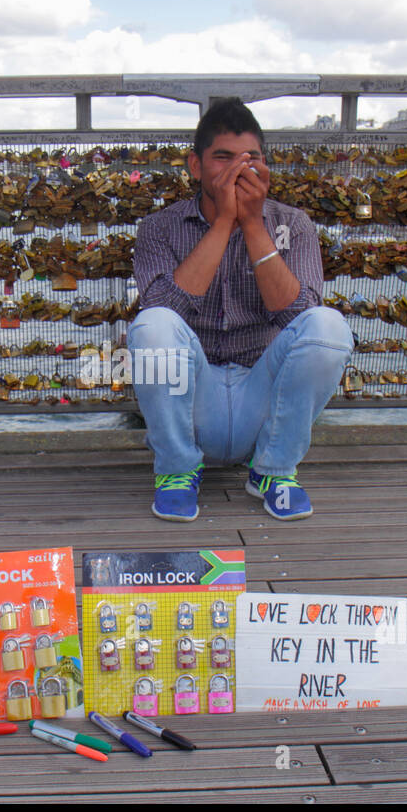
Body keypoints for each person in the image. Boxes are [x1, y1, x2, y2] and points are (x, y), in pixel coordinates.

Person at [129, 97, 354, 522]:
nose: (238, 169)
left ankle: (273, 470)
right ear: (195, 166)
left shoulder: (294, 224)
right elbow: (162, 311)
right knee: (153, 326)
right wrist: (223, 223)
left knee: (329, 326)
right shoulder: (160, 227)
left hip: (263, 398)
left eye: (250, 159)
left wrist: (251, 224)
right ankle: (177, 469)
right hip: (194, 399)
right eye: (224, 158)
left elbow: (299, 318)